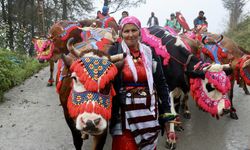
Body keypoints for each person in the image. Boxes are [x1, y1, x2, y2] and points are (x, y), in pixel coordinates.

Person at [109, 16, 176, 150]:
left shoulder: (150, 52)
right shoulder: (113, 52)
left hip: (149, 113)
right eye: (126, 31)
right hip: (123, 114)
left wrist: (167, 111)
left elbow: (161, 83)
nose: (130, 34)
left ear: (140, 32)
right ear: (121, 33)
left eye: (134, 30)